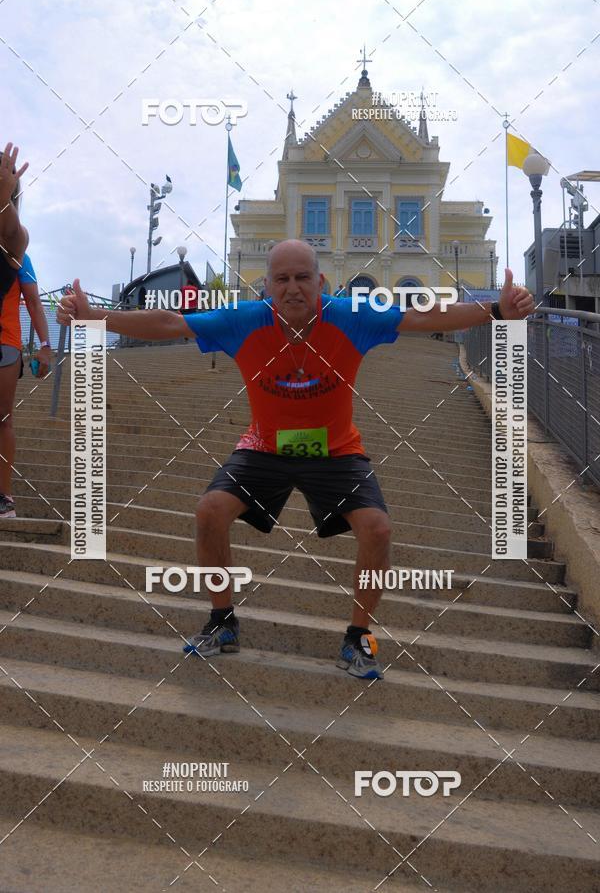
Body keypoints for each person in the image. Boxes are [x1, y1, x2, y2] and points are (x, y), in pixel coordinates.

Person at [57, 239, 534, 678]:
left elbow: (424, 317)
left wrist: (495, 309)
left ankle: (358, 639)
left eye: (302, 277)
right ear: (267, 286)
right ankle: (222, 622)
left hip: (336, 451)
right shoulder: (244, 320)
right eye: (281, 279)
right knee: (209, 512)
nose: (292, 288)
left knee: (378, 528)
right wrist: (95, 316)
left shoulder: (353, 315)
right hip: (264, 446)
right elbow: (170, 323)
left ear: (320, 283)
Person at [0, 143, 51, 518]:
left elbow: (34, 302)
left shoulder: (17, 246)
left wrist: (45, 346)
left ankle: (4, 498)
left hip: (4, 343)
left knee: (3, 418)